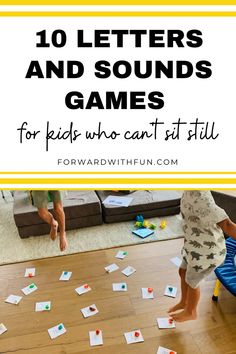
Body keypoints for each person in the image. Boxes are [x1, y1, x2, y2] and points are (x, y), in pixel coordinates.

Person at [168, 190, 236, 322]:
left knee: (193, 281)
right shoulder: (188, 192)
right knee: (182, 271)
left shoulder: (203, 198)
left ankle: (191, 311)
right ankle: (184, 301)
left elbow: (227, 225)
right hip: (193, 245)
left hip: (207, 253)